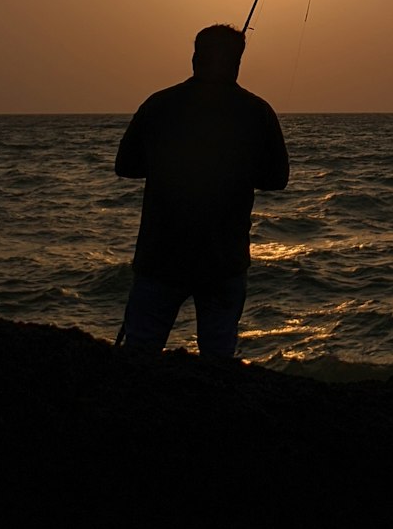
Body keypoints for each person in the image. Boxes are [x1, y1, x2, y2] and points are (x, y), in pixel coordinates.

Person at [115, 23, 289, 357]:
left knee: (139, 353)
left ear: (195, 57)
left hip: (161, 257)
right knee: (218, 357)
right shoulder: (257, 112)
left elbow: (126, 166)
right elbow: (276, 178)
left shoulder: (159, 105)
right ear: (238, 62)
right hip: (223, 259)